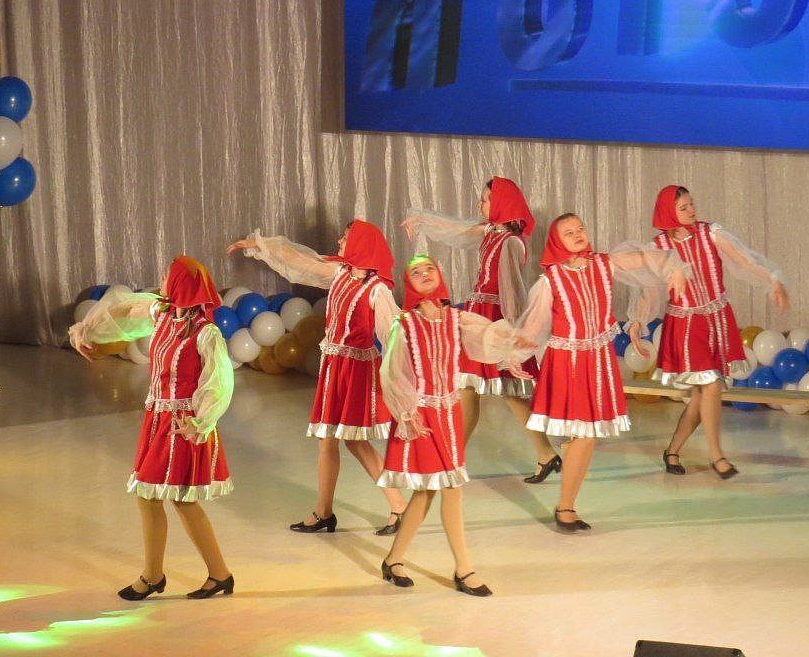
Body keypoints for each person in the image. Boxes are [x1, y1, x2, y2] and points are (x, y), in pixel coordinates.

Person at [227, 220, 409, 534]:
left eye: (346, 237)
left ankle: (398, 504)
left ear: (361, 245)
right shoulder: (340, 272)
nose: (339, 241)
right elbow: (300, 261)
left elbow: (393, 335)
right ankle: (325, 512)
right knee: (327, 442)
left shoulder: (377, 290)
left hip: (356, 371)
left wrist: (402, 378)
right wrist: (260, 245)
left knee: (356, 443)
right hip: (334, 366)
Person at [69, 256, 235, 600]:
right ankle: (184, 574)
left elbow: (220, 382)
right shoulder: (162, 314)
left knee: (177, 500)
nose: (160, 279)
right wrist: (84, 330)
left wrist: (200, 422)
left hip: (183, 425)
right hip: (158, 420)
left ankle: (184, 575)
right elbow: (123, 310)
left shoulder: (206, 333)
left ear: (179, 285)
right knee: (154, 497)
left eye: (166, 275)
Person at [513, 214, 688, 531]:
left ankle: (566, 503)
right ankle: (565, 507)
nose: (578, 234)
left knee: (586, 438)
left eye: (581, 228)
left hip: (598, 360)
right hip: (568, 361)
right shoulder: (550, 280)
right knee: (585, 434)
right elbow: (534, 326)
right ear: (557, 242)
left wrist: (675, 268)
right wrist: (514, 355)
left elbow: (647, 258)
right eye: (569, 232)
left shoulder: (605, 264)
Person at [377, 255, 533, 596]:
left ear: (440, 274)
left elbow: (488, 337)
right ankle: (463, 569)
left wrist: (514, 346)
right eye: (415, 272)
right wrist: (407, 412)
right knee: (443, 489)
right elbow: (392, 371)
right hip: (420, 417)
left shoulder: (456, 319)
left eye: (429, 268)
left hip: (448, 415)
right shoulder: (404, 324)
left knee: (431, 490)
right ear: (408, 283)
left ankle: (395, 560)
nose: (424, 274)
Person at [402, 177, 562, 483]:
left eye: (486, 199)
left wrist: (513, 336)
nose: (480, 204)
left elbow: (512, 289)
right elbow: (455, 227)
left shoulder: (511, 242)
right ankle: (541, 455)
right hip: (479, 314)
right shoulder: (490, 232)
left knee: (495, 391)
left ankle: (452, 462)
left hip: (495, 319)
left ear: (502, 203)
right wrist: (421, 220)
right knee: (474, 389)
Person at [634, 185, 790, 479]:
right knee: (712, 385)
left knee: (701, 396)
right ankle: (717, 455)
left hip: (717, 319)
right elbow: (649, 291)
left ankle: (672, 449)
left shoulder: (711, 233)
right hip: (687, 324)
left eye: (692, 204)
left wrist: (773, 280)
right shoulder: (659, 247)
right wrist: (638, 322)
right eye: (683, 207)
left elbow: (744, 261)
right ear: (669, 212)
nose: (692, 210)